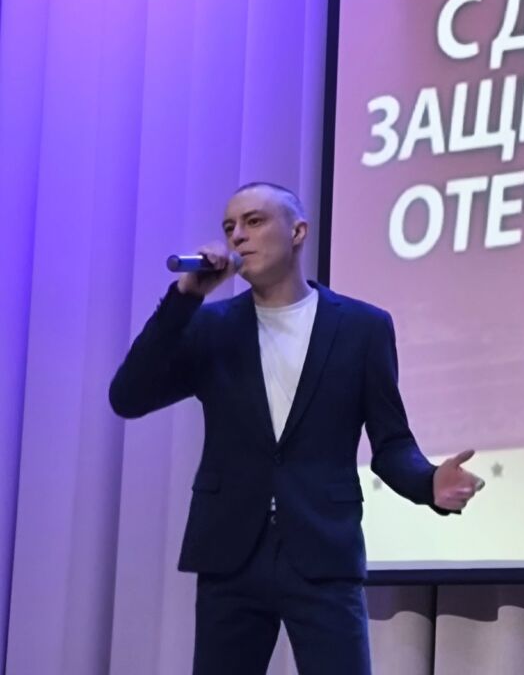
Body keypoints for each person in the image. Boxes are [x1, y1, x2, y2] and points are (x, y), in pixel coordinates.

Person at [109, 182, 483, 675]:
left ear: (298, 231)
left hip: (322, 552)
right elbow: (128, 396)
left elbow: (392, 443)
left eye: (254, 221)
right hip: (230, 553)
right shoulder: (211, 327)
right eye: (229, 227)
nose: (238, 236)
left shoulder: (362, 328)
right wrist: (184, 299)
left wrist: (427, 481)